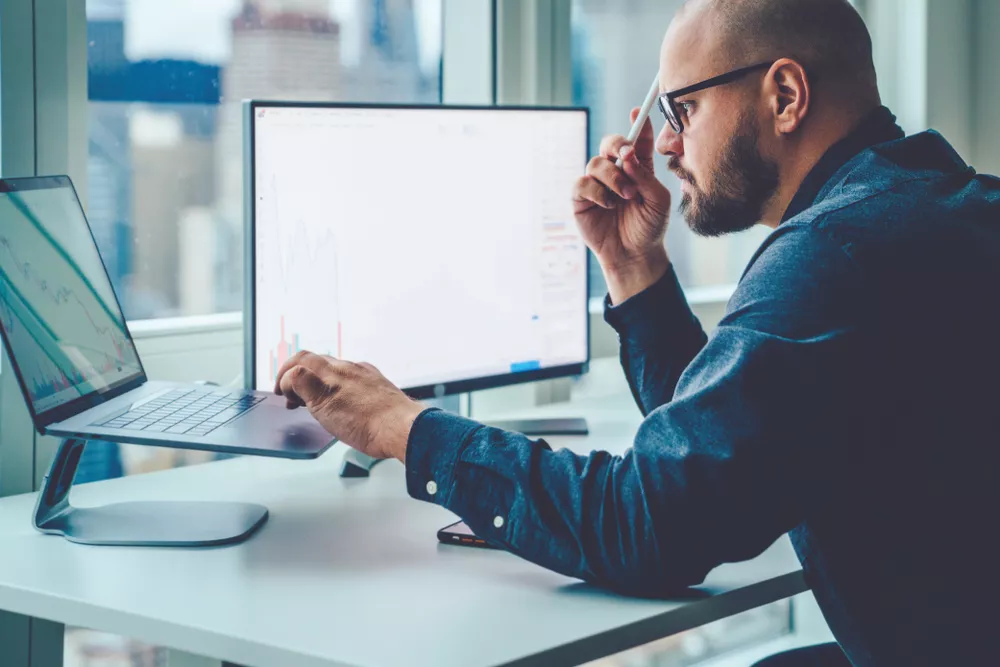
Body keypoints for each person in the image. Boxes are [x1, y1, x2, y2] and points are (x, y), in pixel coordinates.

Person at [274, 0, 1000, 664]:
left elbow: (651, 523)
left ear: (785, 95)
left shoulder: (830, 258)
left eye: (683, 111)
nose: (668, 148)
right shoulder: (940, 204)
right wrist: (631, 262)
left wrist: (403, 426)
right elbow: (723, 449)